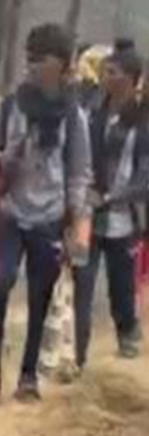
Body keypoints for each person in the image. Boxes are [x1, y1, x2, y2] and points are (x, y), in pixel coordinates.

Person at [0, 23, 92, 405]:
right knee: (0, 285)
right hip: (10, 211)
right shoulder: (10, 106)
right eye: (30, 57)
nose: (34, 65)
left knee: (41, 296)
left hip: (50, 217)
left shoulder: (73, 116)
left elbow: (79, 173)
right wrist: (8, 158)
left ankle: (28, 376)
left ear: (63, 65)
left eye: (42, 58)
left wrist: (75, 223)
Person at [75, 45, 149, 366]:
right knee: (82, 284)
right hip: (87, 214)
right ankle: (76, 352)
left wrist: (111, 198)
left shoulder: (143, 121)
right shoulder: (92, 111)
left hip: (124, 218)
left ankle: (127, 331)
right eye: (104, 70)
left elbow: (145, 177)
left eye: (112, 72)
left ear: (130, 79)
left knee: (120, 286)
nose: (104, 76)